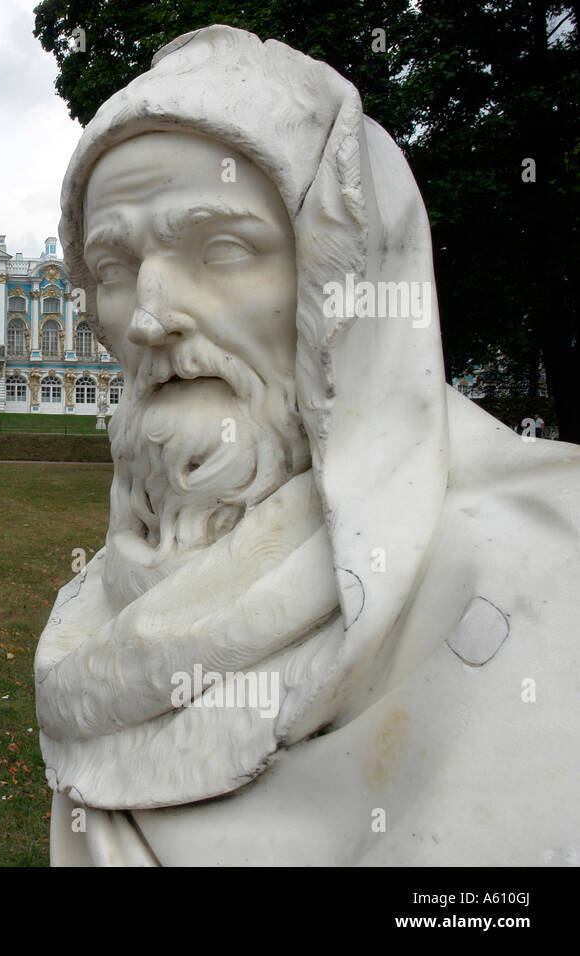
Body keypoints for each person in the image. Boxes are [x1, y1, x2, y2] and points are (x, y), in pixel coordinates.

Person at [37, 24, 580, 866]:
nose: (148, 316)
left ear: (345, 278)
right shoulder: (104, 601)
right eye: (111, 268)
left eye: (221, 249)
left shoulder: (544, 577)